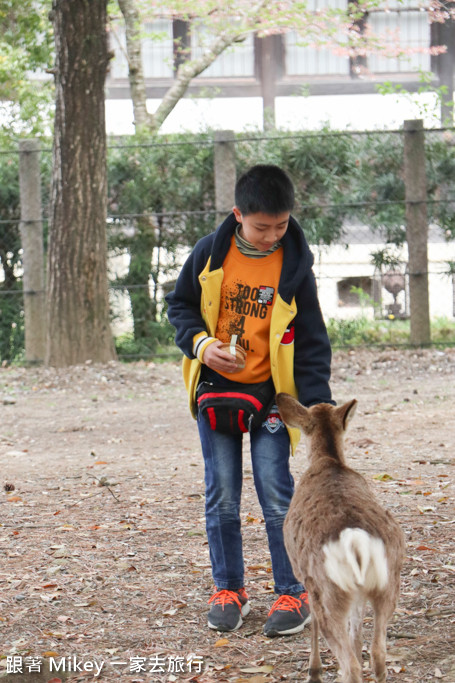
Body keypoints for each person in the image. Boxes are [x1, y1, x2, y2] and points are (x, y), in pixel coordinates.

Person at [165, 164, 334, 637]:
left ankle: (292, 591)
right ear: (238, 215)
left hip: (273, 400)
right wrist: (202, 345)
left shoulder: (294, 264)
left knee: (278, 493)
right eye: (262, 227)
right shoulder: (208, 255)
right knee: (221, 493)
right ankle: (228, 588)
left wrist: (317, 406)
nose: (272, 236)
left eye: (281, 226)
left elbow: (313, 337)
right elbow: (179, 306)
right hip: (217, 394)